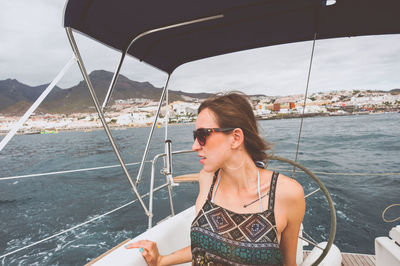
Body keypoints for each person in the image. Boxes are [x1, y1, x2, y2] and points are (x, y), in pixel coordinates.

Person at [126, 92, 305, 266]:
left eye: (203, 135)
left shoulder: (287, 194)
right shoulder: (207, 180)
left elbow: (289, 263)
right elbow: (203, 248)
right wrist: (162, 260)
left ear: (235, 138)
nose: (194, 146)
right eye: (195, 136)